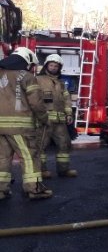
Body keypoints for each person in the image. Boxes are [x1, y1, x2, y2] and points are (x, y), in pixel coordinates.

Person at [0, 47, 52, 200]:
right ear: (27, 61)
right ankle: (33, 188)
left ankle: (1, 189)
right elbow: (36, 103)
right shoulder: (27, 76)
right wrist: (44, 119)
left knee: (2, 157)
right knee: (29, 156)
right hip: (20, 127)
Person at [36, 54, 77, 178]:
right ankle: (42, 171)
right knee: (41, 145)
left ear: (59, 68)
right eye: (51, 65)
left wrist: (69, 113)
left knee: (64, 144)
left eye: (56, 66)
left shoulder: (61, 82)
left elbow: (67, 99)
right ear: (46, 66)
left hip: (60, 120)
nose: (53, 68)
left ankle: (64, 170)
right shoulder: (38, 80)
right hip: (45, 120)